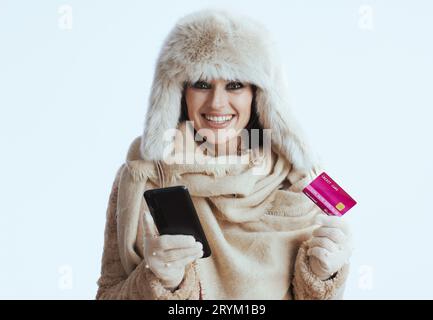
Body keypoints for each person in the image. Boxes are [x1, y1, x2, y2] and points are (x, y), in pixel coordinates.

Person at [95, 8, 352, 300]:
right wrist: (158, 281)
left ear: (260, 95)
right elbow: (108, 294)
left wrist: (325, 277)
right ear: (179, 93)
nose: (217, 103)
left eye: (235, 85)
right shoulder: (145, 177)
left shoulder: (302, 179)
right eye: (202, 84)